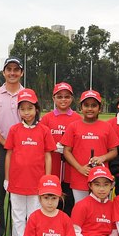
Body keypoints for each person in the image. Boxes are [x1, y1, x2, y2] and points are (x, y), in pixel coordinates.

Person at [4, 89, 56, 236]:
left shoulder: (44, 130)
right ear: (19, 111)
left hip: (37, 182)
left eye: (30, 108)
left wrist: (47, 180)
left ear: (36, 109)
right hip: (17, 181)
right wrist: (7, 178)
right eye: (23, 109)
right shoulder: (14, 130)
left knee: (34, 216)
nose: (26, 112)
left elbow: (48, 155)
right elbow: (9, 155)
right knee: (18, 216)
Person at [0, 57, 25, 236]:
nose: (12, 73)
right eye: (9, 69)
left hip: (24, 148)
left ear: (21, 72)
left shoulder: (27, 94)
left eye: (16, 69)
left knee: (24, 192)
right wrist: (5, 142)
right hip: (0, 147)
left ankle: (23, 235)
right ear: (3, 72)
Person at [61, 90, 119, 202]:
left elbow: (114, 151)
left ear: (99, 108)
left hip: (101, 178)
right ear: (81, 108)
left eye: (94, 105)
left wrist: (102, 158)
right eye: (86, 105)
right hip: (80, 176)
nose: (90, 109)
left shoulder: (106, 126)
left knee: (100, 210)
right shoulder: (73, 126)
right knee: (81, 208)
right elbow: (67, 151)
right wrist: (80, 168)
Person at [40, 82, 81, 214]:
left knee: (69, 203)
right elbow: (41, 141)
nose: (63, 100)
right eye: (60, 96)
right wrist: (53, 147)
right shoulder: (47, 118)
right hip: (53, 166)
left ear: (72, 98)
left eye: (67, 96)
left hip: (70, 168)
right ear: (54, 98)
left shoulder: (77, 118)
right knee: (52, 202)